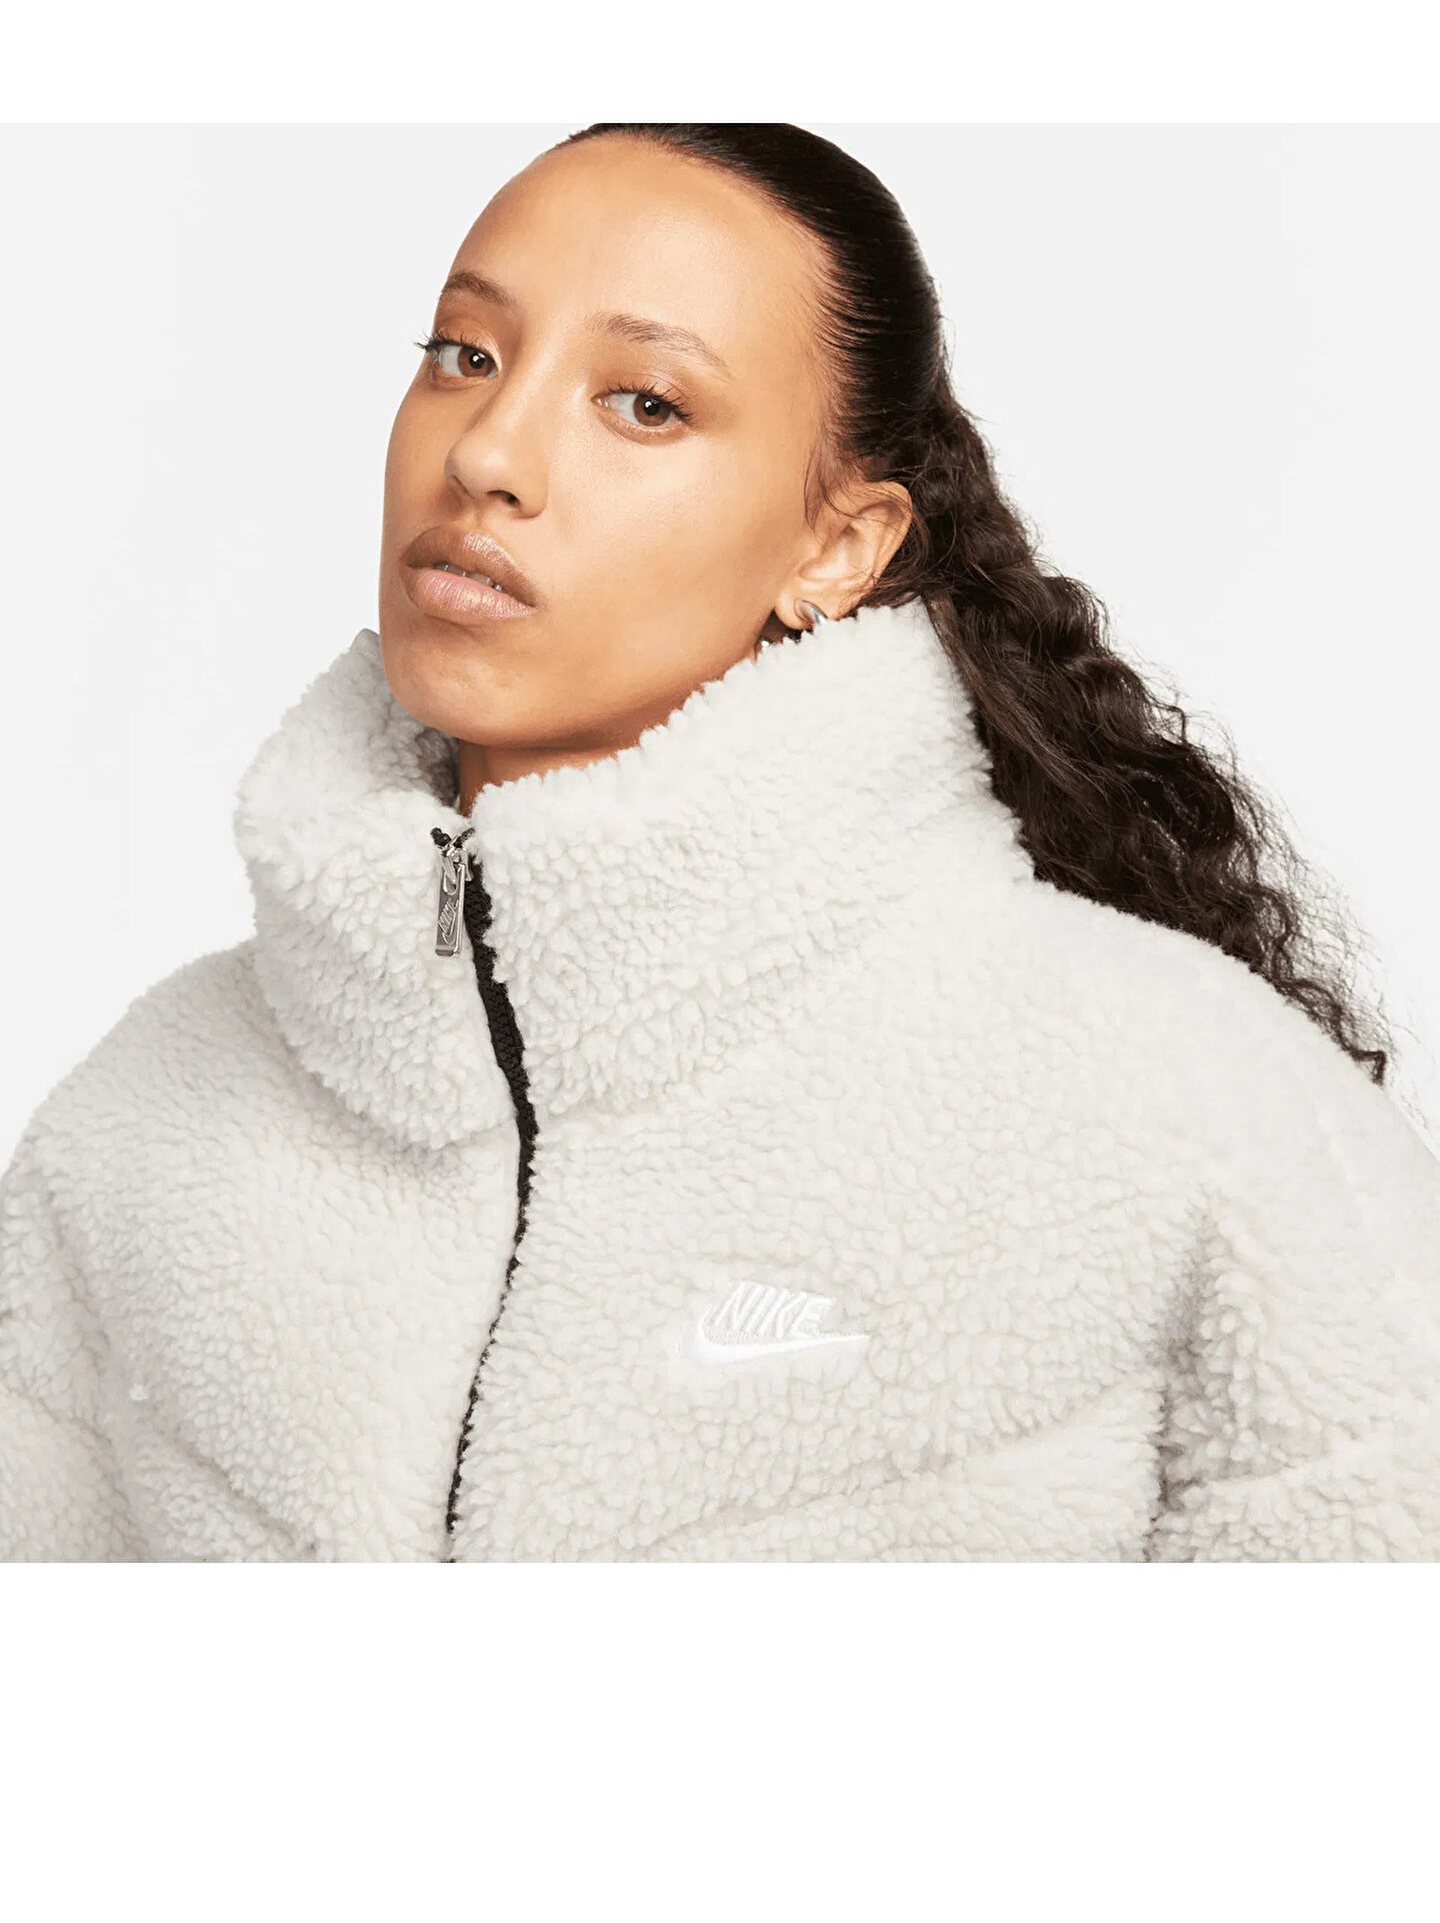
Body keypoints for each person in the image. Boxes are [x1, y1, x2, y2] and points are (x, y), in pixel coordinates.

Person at [3, 121, 1439, 1566]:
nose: (488, 453)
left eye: (644, 403)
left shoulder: (1183, 1104)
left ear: (839, 547)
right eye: (464, 354)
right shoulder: (139, 1124)